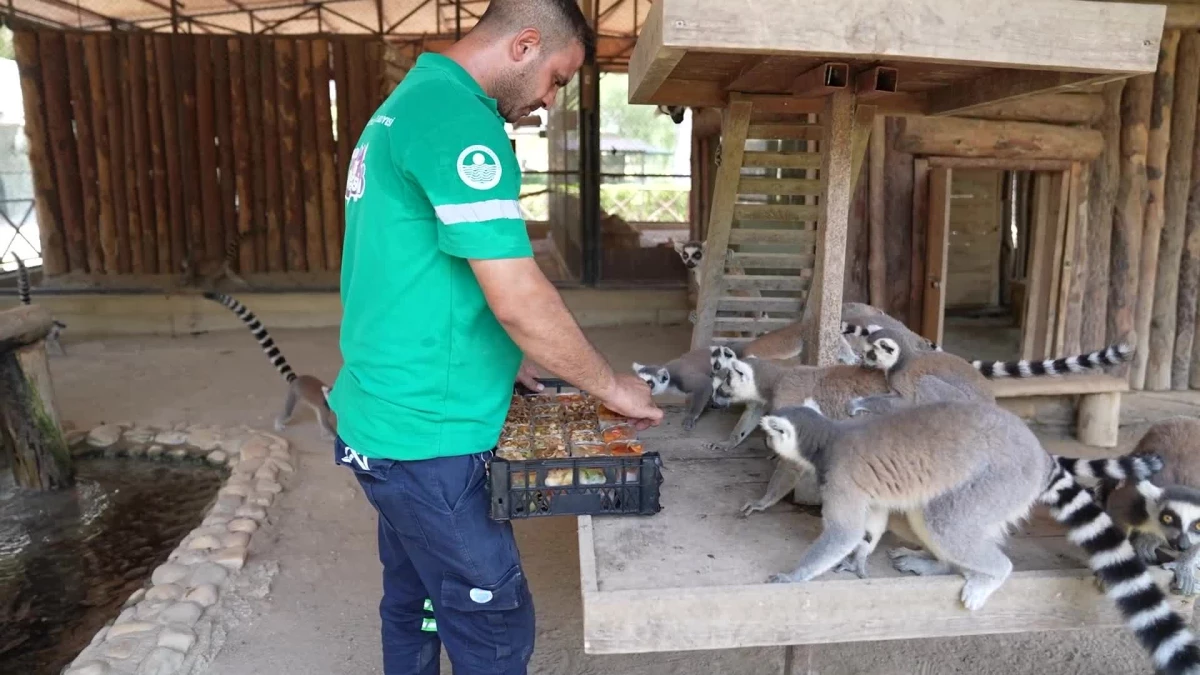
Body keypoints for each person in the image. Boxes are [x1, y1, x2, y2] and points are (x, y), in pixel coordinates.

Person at [327, 1, 664, 674]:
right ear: (525, 45)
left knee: (416, 600)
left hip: (381, 418)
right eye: (558, 78)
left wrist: (490, 358)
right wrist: (613, 386)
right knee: (494, 624)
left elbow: (409, 269)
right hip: (431, 439)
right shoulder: (459, 123)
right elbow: (518, 298)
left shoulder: (411, 102)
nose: (550, 98)